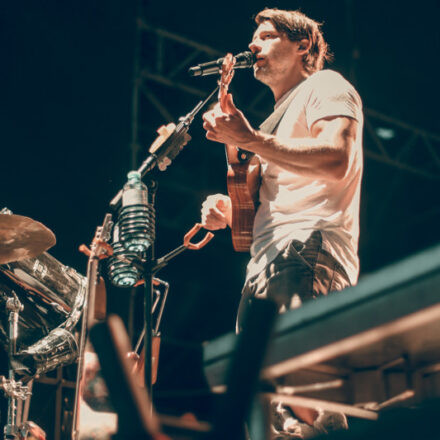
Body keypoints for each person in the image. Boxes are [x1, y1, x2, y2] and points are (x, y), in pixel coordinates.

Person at [201, 8, 363, 439]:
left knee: (305, 391)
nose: (253, 44)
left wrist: (249, 139)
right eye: (254, 38)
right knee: (269, 417)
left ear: (302, 46)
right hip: (264, 263)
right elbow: (253, 218)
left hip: (307, 247)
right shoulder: (273, 120)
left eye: (267, 36)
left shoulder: (325, 86)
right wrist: (228, 211)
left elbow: (337, 158)